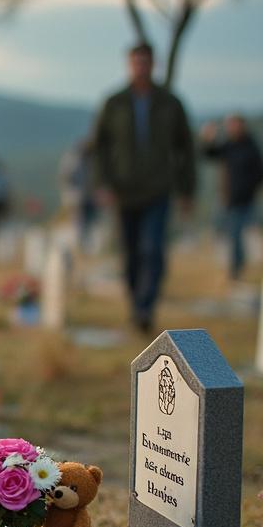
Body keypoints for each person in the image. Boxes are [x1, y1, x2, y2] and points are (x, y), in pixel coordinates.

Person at [91, 42, 195, 334]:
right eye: (136, 61)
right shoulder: (115, 102)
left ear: (153, 64)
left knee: (152, 249)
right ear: (129, 64)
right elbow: (99, 146)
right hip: (124, 191)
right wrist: (102, 183)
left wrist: (187, 190)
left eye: (146, 61)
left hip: (158, 189)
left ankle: (146, 307)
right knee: (131, 252)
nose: (141, 66)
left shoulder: (170, 102)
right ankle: (135, 304)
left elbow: (186, 147)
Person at [199, 114, 263, 281]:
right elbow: (208, 154)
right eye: (231, 125)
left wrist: (250, 189)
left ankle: (235, 269)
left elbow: (261, 172)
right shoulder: (228, 145)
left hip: (244, 200)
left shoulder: (251, 146)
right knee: (225, 235)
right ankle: (232, 267)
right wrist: (207, 139)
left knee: (237, 235)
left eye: (236, 125)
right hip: (226, 199)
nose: (233, 128)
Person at [57, 138, 97, 250]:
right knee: (78, 223)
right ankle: (80, 246)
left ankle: (86, 245)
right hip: (74, 196)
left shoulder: (87, 159)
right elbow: (65, 177)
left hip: (86, 197)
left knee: (88, 222)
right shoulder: (72, 159)